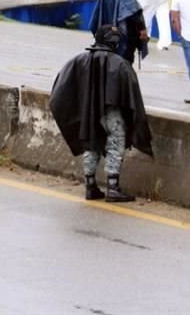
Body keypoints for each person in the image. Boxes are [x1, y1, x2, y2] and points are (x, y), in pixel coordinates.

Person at [49, 25, 154, 202]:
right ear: (114, 42)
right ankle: (113, 187)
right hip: (111, 113)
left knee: (91, 143)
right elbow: (132, 97)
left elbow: (60, 90)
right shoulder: (120, 63)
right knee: (116, 141)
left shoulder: (78, 60)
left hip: (87, 113)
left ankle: (90, 186)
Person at [89, 0, 148, 66]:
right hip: (126, 35)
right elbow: (136, 14)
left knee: (111, 61)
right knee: (125, 62)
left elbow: (97, 14)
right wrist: (142, 30)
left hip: (109, 35)